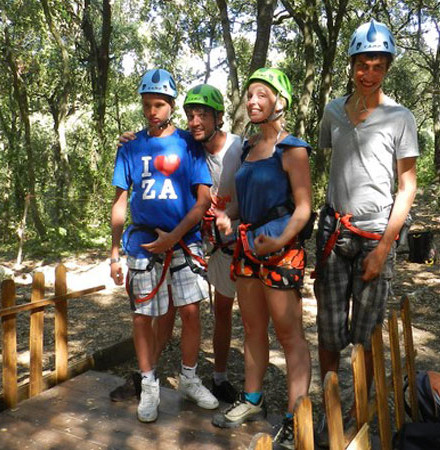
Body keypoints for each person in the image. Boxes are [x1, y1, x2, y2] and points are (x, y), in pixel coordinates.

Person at [314, 19, 419, 446]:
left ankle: (359, 411)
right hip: (335, 233)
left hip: (377, 235)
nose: (368, 73)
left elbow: (407, 185)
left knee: (366, 335)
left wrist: (385, 248)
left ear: (387, 68)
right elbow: (324, 158)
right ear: (352, 65)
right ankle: (330, 409)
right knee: (328, 330)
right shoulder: (334, 111)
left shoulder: (401, 117)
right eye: (362, 63)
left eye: (377, 65)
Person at [111, 84, 243, 404]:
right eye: (146, 105)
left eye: (159, 104)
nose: (152, 111)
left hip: (203, 240)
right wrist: (114, 252)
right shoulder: (142, 145)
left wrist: (176, 236)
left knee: (204, 310)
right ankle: (148, 381)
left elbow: (204, 200)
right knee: (154, 313)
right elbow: (121, 199)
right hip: (157, 240)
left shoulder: (210, 145)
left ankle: (203, 377)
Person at [211, 68, 312, 449]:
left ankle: (295, 416)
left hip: (281, 251)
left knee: (290, 336)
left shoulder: (293, 149)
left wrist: (280, 242)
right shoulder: (248, 149)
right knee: (253, 329)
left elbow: (304, 209)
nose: (253, 101)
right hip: (249, 249)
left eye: (262, 95)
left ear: (279, 102)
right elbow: (239, 202)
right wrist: (226, 216)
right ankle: (253, 400)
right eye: (250, 95)